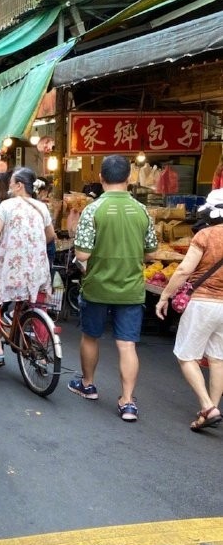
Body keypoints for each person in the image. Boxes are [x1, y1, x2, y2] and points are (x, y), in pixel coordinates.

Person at [69, 154, 158, 421]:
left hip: (97, 286)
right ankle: (128, 401)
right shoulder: (141, 210)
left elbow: (82, 255)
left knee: (90, 336)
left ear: (101, 178)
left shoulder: (93, 210)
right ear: (129, 178)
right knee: (127, 345)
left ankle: (87, 384)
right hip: (131, 287)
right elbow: (152, 253)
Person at [0, 167, 55, 364]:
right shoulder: (41, 207)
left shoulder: (7, 206)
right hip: (38, 268)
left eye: (11, 184)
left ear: (19, 186)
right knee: (38, 305)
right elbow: (51, 235)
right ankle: (42, 354)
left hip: (12, 267)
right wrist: (33, 246)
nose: (9, 188)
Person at [155, 189, 223, 430]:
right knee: (218, 359)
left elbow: (184, 270)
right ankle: (211, 410)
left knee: (185, 355)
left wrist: (165, 295)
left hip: (203, 303)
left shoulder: (205, 235)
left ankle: (208, 407)